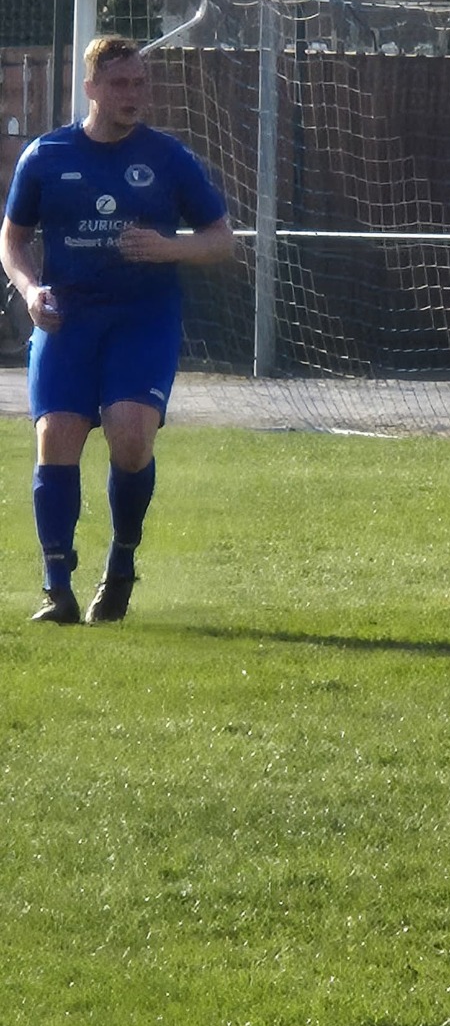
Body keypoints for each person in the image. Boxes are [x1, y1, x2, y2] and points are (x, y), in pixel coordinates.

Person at [0, 33, 233, 624]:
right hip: (68, 320)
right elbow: (12, 239)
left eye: (140, 83)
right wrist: (30, 290)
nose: (133, 94)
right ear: (91, 88)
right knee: (56, 436)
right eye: (120, 83)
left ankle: (122, 562)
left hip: (141, 320)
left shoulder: (168, 157)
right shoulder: (46, 156)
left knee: (130, 438)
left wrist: (168, 247)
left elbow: (221, 240)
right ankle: (58, 588)